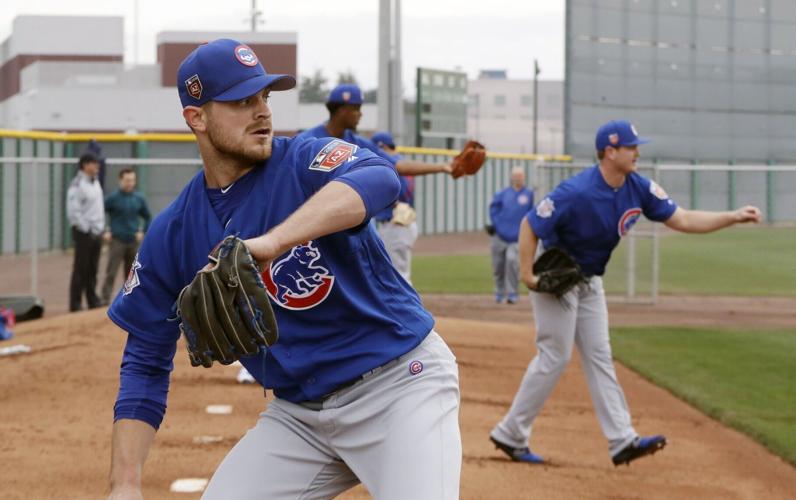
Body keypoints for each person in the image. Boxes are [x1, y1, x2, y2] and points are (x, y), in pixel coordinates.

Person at [107, 39, 461, 500]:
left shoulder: (302, 161)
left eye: (264, 97)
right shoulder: (173, 233)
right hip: (301, 416)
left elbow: (380, 178)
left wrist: (274, 241)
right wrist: (125, 483)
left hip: (399, 385)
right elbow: (145, 360)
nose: (261, 112)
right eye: (241, 101)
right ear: (196, 117)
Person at [489, 119, 762, 466]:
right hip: (555, 279)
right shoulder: (577, 192)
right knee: (555, 356)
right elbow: (530, 224)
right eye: (631, 147)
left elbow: (684, 219)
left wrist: (733, 216)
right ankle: (511, 433)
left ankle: (621, 440)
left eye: (636, 146)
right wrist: (527, 275)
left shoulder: (639, 188)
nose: (637, 152)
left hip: (589, 282)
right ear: (609, 152)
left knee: (600, 355)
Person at [370, 131, 418, 282]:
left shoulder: (392, 165)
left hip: (397, 223)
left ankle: (407, 306)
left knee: (398, 276)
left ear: (382, 147)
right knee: (395, 273)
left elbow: (399, 192)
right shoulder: (401, 162)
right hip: (402, 221)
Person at [100, 168, 151, 305]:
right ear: (120, 180)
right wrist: (106, 230)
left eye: (132, 180)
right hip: (117, 241)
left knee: (131, 274)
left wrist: (142, 231)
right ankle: (105, 299)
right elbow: (99, 213)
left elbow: (147, 217)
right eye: (127, 180)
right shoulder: (112, 198)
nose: (130, 183)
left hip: (133, 241)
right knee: (111, 271)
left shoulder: (138, 198)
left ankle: (129, 300)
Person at [488, 166, 534, 304]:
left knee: (512, 261)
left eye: (520, 175)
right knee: (498, 265)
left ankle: (512, 293)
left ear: (524, 177)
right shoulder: (502, 194)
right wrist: (498, 225)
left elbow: (532, 214)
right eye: (515, 175)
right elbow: (493, 210)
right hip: (499, 236)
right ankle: (499, 292)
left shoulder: (529, 195)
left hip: (517, 237)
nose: (517, 178)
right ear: (511, 177)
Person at [66, 152, 105, 312]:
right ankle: (75, 304)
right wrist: (86, 229)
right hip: (84, 233)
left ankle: (92, 300)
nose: (97, 166)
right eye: (94, 163)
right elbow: (74, 211)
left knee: (93, 268)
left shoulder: (95, 183)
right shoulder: (78, 184)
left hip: (97, 232)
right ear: (85, 165)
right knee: (80, 269)